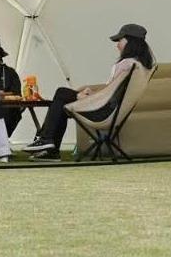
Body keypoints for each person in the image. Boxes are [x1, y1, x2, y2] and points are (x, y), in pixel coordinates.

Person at [24, 22, 155, 161]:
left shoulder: (126, 64)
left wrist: (84, 97)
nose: (117, 45)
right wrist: (90, 95)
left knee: (61, 93)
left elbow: (110, 94)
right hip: (112, 111)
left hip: (102, 112)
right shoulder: (140, 66)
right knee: (62, 101)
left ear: (131, 42)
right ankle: (50, 147)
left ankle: (46, 141)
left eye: (120, 41)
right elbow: (114, 91)